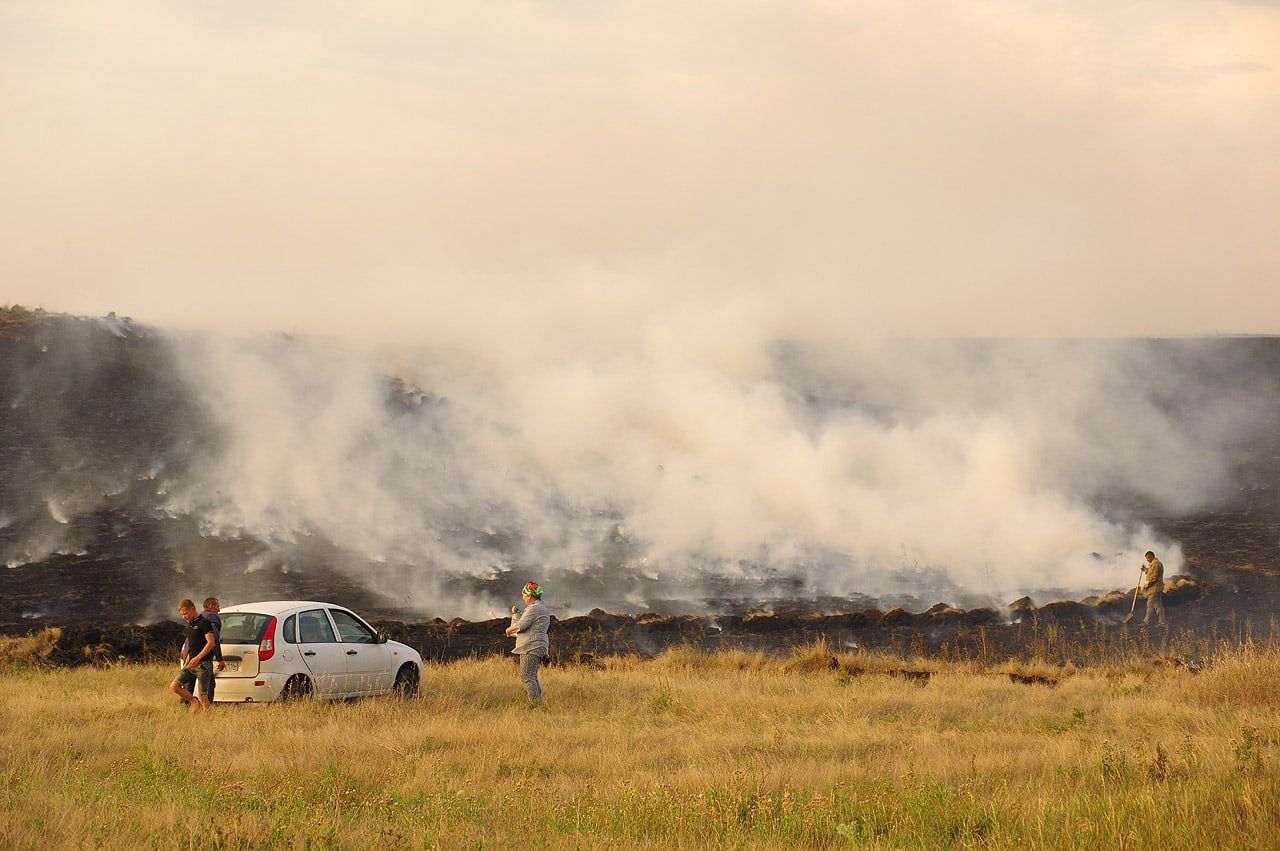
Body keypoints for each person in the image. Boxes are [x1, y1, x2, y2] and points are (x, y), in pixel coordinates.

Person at [504, 581, 550, 703]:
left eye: (523, 594)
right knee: (532, 677)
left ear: (529, 595)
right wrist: (515, 614)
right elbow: (523, 624)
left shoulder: (535, 608)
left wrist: (509, 629)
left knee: (527, 677)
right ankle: (537, 703)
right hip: (536, 645)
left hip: (531, 646)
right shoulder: (538, 607)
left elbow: (521, 625)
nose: (522, 597)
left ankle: (535, 705)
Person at [170, 598, 217, 711]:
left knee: (203, 696)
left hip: (204, 665)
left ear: (192, 609)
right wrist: (188, 659)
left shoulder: (204, 623)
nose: (184, 617)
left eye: (185, 613)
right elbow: (192, 646)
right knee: (174, 686)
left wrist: (198, 658)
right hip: (190, 664)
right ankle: (193, 701)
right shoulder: (190, 625)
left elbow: (211, 643)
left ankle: (208, 719)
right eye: (182, 615)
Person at [180, 597, 225, 702]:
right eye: (217, 607)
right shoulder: (212, 618)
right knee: (208, 685)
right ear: (211, 606)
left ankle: (184, 706)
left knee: (188, 683)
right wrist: (220, 658)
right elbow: (213, 639)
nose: (219, 610)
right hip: (201, 658)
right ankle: (207, 709)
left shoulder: (198, 618)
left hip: (188, 654)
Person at [1140, 551, 1166, 627]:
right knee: (1158, 605)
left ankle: (1146, 622)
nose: (1147, 560)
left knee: (1150, 604)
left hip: (1154, 588)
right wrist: (1145, 569)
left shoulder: (1155, 563)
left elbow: (1154, 576)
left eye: (1148, 558)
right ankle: (1162, 622)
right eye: (1146, 558)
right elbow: (1150, 572)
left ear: (1151, 556)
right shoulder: (1154, 564)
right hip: (1157, 588)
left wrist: (1147, 583)